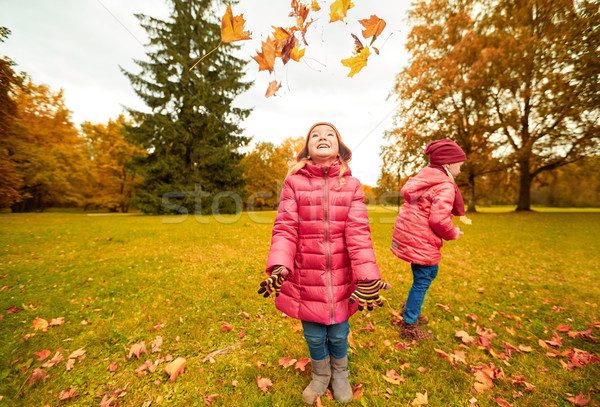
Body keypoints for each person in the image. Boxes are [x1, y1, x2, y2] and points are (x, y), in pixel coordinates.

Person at [258, 122, 390, 404]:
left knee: (340, 333)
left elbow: (359, 233)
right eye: (315, 135)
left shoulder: (351, 185)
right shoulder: (294, 183)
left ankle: (340, 374)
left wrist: (367, 275)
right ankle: (320, 375)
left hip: (342, 277)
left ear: (339, 149)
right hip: (306, 275)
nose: (322, 137)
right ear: (307, 148)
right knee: (314, 335)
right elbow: (284, 228)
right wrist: (280, 265)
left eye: (329, 134)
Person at [391, 139, 467, 341]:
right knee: (424, 278)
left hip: (411, 236)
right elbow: (439, 219)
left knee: (426, 274)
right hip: (421, 240)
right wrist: (453, 233)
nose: (461, 170)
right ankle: (409, 324)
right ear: (448, 164)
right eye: (460, 165)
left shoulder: (424, 179)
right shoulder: (444, 185)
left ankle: (411, 308)